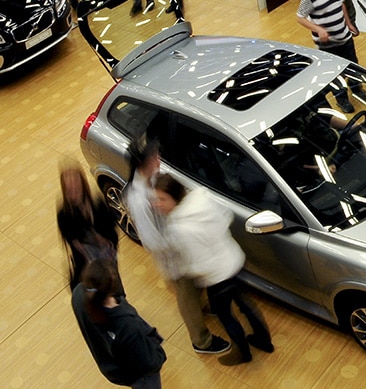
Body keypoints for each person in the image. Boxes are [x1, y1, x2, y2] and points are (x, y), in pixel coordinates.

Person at [123, 139, 230, 356]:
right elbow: (151, 241)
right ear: (144, 163)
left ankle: (205, 310)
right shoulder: (138, 198)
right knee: (187, 297)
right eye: (155, 157)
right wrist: (181, 238)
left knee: (197, 286)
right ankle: (202, 341)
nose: (159, 159)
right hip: (175, 259)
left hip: (186, 249)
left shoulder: (154, 178)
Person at [154, 175, 273, 366]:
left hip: (217, 278)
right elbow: (227, 216)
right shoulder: (201, 196)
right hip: (235, 260)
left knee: (226, 316)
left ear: (174, 197)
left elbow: (196, 264)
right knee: (246, 305)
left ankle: (242, 353)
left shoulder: (179, 227)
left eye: (162, 199)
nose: (158, 204)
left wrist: (190, 275)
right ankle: (264, 341)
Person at [72, 259, 168, 388]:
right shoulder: (127, 326)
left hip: (112, 366)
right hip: (138, 374)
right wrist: (159, 352)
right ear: (112, 286)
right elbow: (150, 363)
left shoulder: (78, 295)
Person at [58, 164, 119, 289]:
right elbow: (71, 240)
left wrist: (104, 240)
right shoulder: (65, 215)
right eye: (69, 187)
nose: (74, 190)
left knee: (116, 293)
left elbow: (113, 232)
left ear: (83, 184)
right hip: (87, 269)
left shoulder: (98, 205)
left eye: (76, 185)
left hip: (108, 261)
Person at [297, 0, 359, 64]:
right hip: (326, 45)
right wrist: (319, 30)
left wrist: (349, 23)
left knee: (353, 68)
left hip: (345, 38)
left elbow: (341, 4)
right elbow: (300, 18)